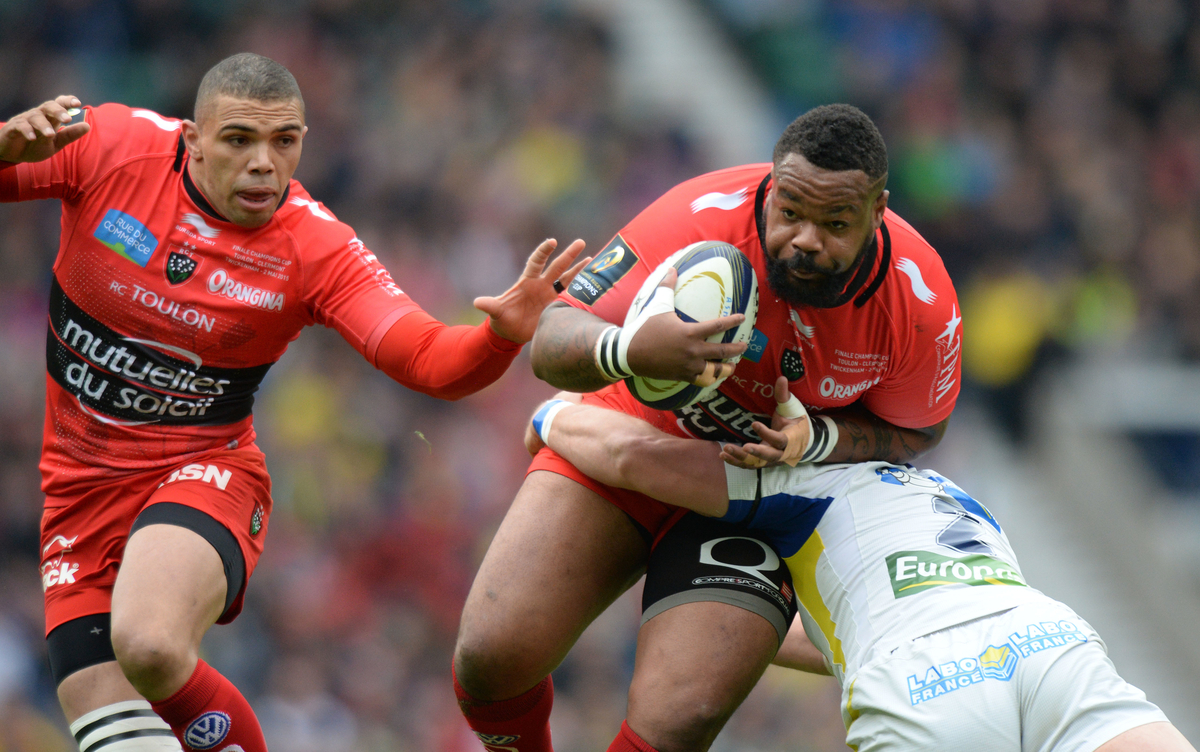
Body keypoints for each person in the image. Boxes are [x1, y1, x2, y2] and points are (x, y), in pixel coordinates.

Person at [0, 53, 587, 752]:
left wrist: (499, 336)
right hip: (74, 495)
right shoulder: (109, 147)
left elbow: (428, 360)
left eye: (284, 142)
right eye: (239, 140)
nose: (263, 165)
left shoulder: (314, 247)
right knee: (111, 729)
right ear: (192, 139)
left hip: (198, 475)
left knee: (149, 644)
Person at [453, 104, 964, 752]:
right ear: (772, 190)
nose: (806, 239)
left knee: (678, 718)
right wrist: (629, 350)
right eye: (790, 214)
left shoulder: (920, 303)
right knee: (490, 659)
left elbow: (918, 431)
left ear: (877, 210)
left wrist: (822, 440)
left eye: (835, 223)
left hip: (760, 493)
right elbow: (552, 337)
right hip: (635, 428)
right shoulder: (700, 213)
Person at [522, 388, 1197, 752]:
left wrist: (555, 415)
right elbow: (854, 629)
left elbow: (636, 460)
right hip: (1048, 641)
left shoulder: (801, 484)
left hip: (924, 678)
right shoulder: (950, 493)